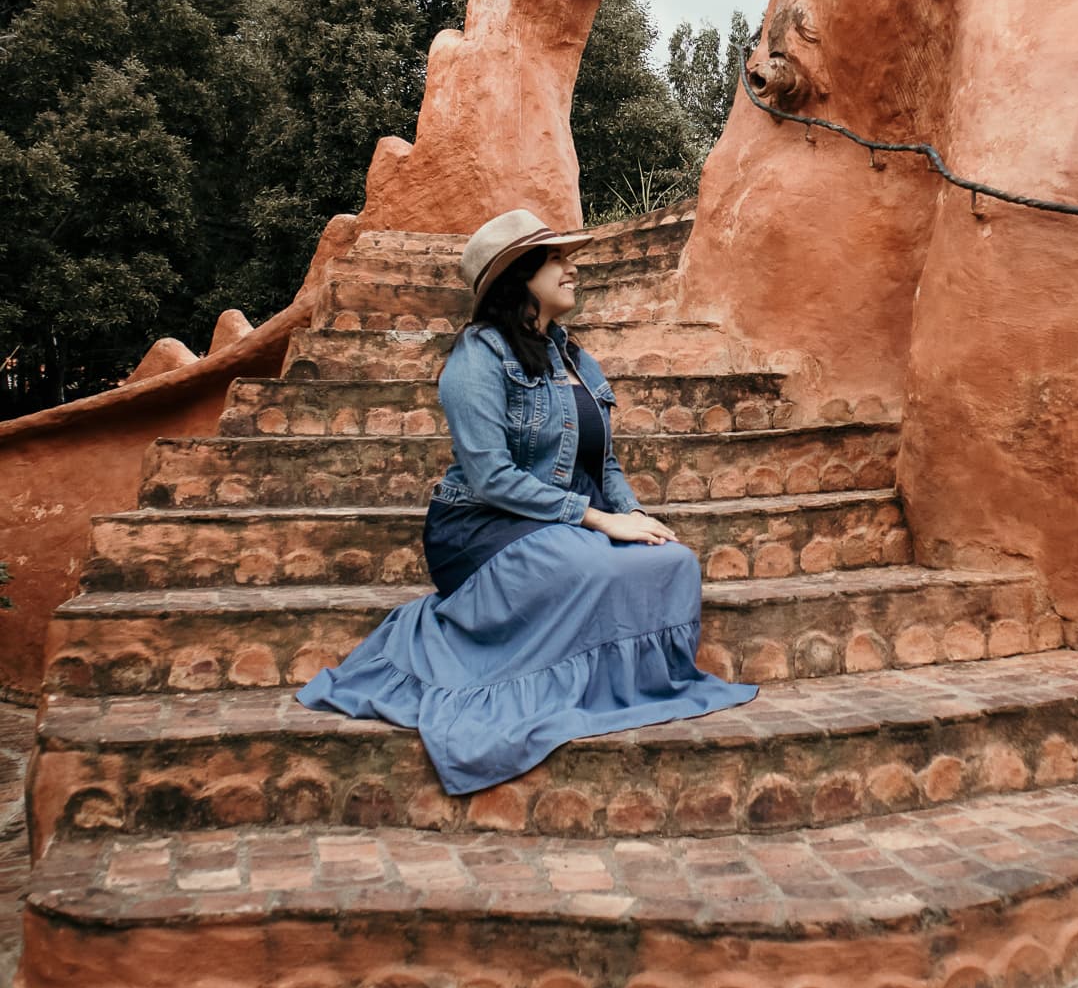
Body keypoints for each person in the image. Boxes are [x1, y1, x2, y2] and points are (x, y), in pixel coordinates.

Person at [297, 208, 756, 793]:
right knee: (586, 562)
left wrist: (633, 513)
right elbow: (490, 477)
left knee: (671, 561)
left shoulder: (576, 359)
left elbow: (603, 463)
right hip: (483, 525)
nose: (571, 269)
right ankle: (455, 645)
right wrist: (599, 521)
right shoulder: (478, 357)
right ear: (521, 275)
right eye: (557, 259)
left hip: (567, 520)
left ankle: (616, 688)